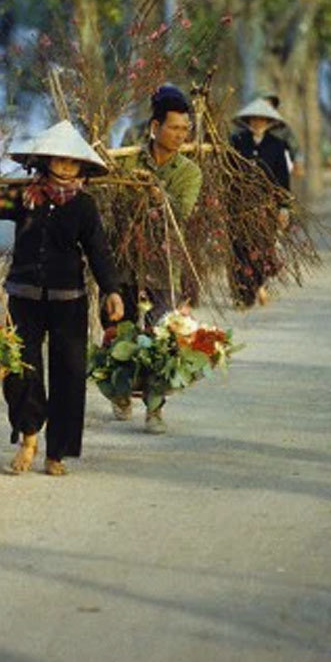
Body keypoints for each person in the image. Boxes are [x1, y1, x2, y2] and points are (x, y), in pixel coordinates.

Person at [0, 120, 124, 475]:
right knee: (21, 368)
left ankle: (56, 451)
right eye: (57, 160)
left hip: (68, 300)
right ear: (45, 161)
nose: (64, 166)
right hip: (23, 297)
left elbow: (99, 251)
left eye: (72, 161)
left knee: (70, 374)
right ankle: (29, 436)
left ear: (81, 166)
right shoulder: (22, 196)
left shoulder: (85, 206)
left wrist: (112, 290)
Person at [112, 84, 202, 432]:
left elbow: (180, 213)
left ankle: (154, 407)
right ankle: (120, 393)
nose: (180, 135)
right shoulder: (129, 159)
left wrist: (155, 193)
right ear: (155, 126)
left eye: (185, 129)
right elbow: (112, 200)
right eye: (174, 128)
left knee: (160, 337)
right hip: (124, 259)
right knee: (120, 333)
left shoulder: (189, 172)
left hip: (164, 266)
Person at [229, 96, 293, 307]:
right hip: (239, 205)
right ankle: (242, 295)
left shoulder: (278, 145)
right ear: (248, 121)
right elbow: (228, 171)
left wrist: (284, 208)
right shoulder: (237, 142)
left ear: (269, 122)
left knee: (262, 248)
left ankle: (258, 285)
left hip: (266, 206)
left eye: (262, 120)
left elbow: (283, 179)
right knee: (239, 249)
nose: (258, 123)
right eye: (254, 120)